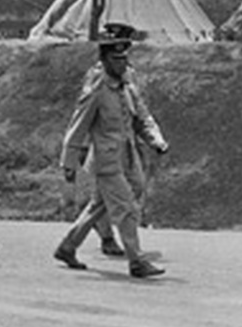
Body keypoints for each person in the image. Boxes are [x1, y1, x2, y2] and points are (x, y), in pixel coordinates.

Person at [54, 25, 170, 278]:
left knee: (109, 201)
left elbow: (142, 117)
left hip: (128, 155)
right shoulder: (96, 89)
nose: (122, 64)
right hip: (106, 160)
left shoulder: (128, 85)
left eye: (124, 58)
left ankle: (67, 246)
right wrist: (69, 162)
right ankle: (136, 260)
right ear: (104, 60)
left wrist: (157, 141)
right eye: (116, 59)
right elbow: (78, 126)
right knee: (125, 206)